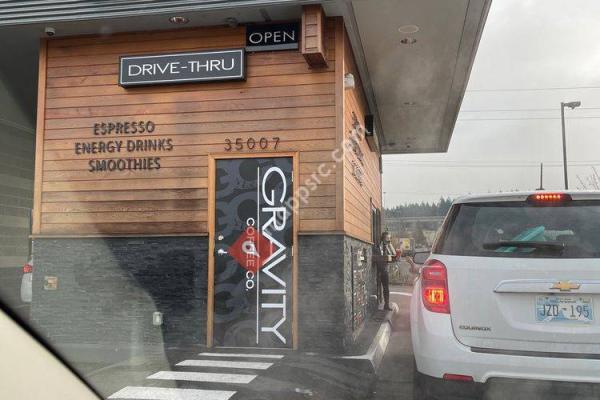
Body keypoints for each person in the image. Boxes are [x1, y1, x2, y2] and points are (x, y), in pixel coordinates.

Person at [374, 231, 396, 311]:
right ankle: (376, 305)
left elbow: (394, 254)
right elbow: (377, 256)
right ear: (383, 238)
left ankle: (386, 305)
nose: (389, 240)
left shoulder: (387, 247)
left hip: (385, 270)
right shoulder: (378, 246)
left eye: (390, 238)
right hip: (378, 270)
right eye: (387, 238)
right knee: (377, 288)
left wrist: (390, 245)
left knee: (386, 288)